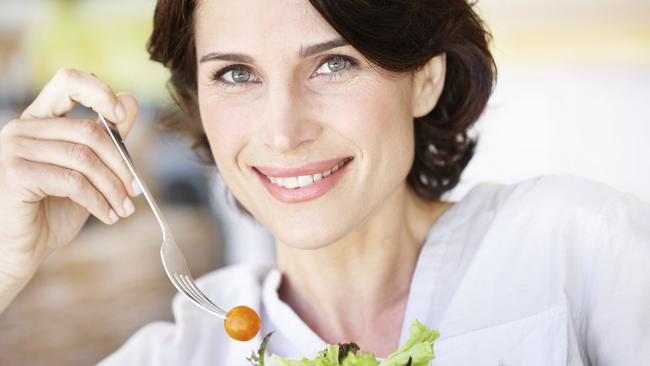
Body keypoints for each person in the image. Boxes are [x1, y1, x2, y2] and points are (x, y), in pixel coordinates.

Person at [0, 0, 648, 365]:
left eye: (333, 64)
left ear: (425, 76)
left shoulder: (576, 248)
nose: (283, 132)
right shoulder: (186, 353)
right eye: (235, 75)